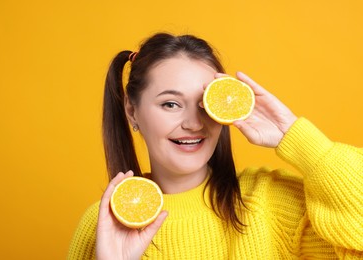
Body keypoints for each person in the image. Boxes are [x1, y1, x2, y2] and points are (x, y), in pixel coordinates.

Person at [68, 33, 362, 259]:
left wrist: (301, 141)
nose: (194, 123)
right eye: (170, 104)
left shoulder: (267, 201)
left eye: (205, 104)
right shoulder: (105, 223)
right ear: (132, 111)